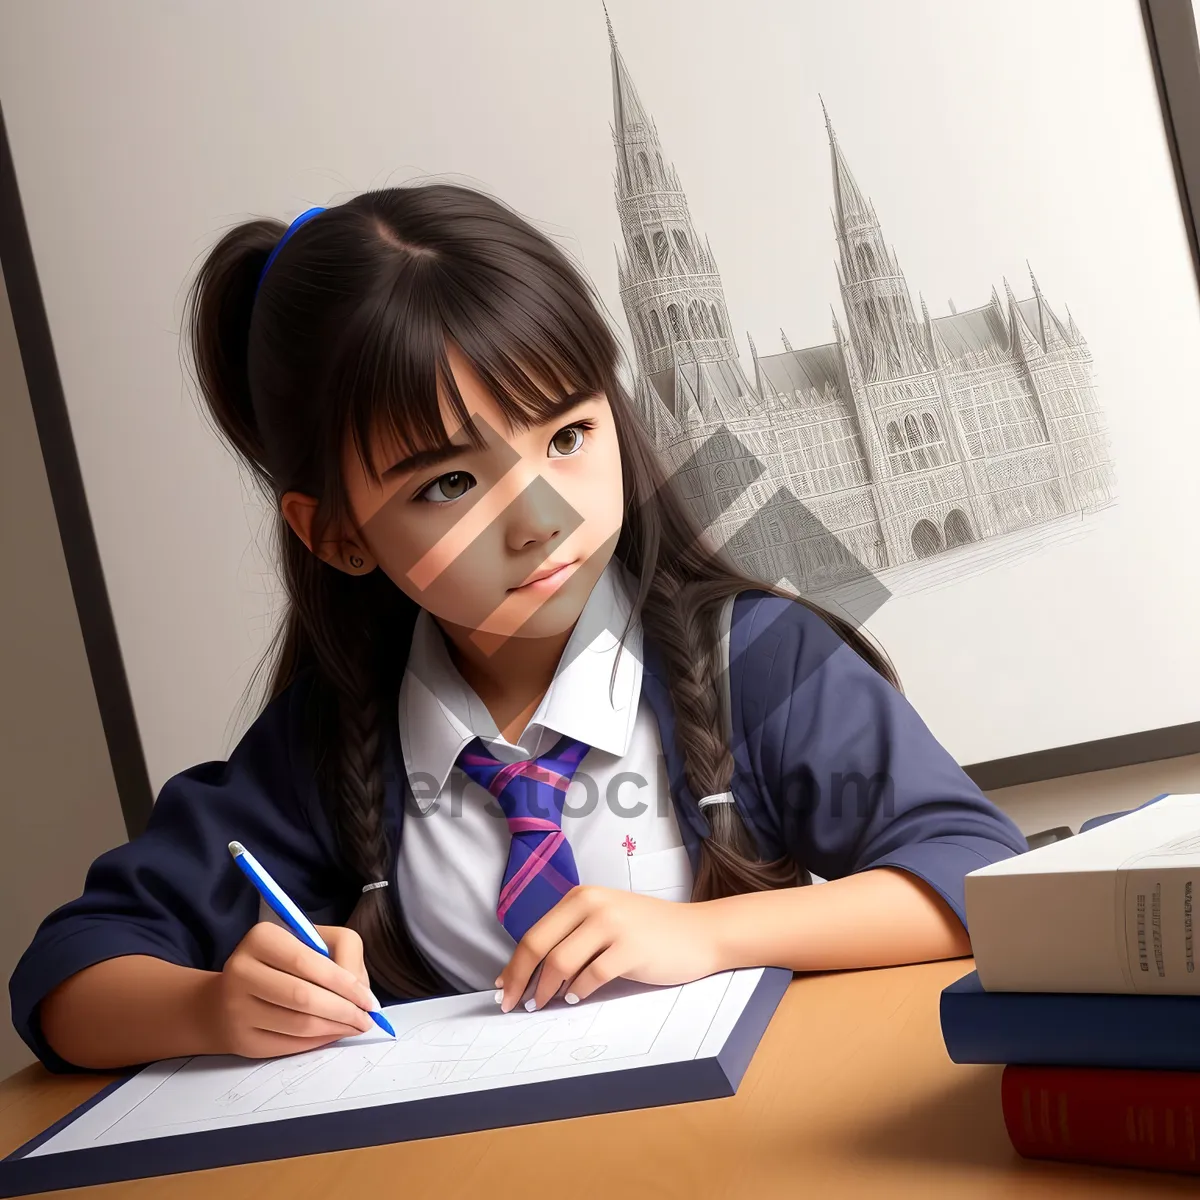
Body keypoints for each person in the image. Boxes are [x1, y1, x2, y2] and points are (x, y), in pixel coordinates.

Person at [9, 185, 1027, 1073]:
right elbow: (67, 977)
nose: (541, 518)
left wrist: (705, 936)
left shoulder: (758, 663)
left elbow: (975, 874)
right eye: (450, 483)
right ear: (339, 536)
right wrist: (211, 1007)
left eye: (569, 436)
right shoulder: (325, 747)